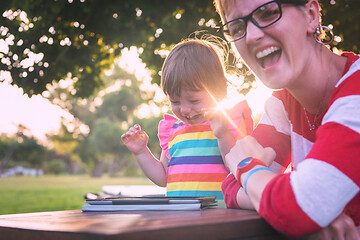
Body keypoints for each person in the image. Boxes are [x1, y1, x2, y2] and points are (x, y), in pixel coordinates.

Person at [213, 0, 360, 238]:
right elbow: (230, 187)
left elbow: (298, 207)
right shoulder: (283, 101)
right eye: (237, 28)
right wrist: (299, 205)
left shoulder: (356, 90)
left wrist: (248, 167)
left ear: (311, 15)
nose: (251, 36)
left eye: (268, 12)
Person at [121, 37, 253, 203]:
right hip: (180, 216)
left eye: (194, 101)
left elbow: (236, 168)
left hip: (219, 216)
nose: (184, 110)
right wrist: (141, 152)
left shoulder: (230, 122)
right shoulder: (173, 129)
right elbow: (163, 177)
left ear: (218, 91)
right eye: (175, 102)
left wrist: (222, 134)